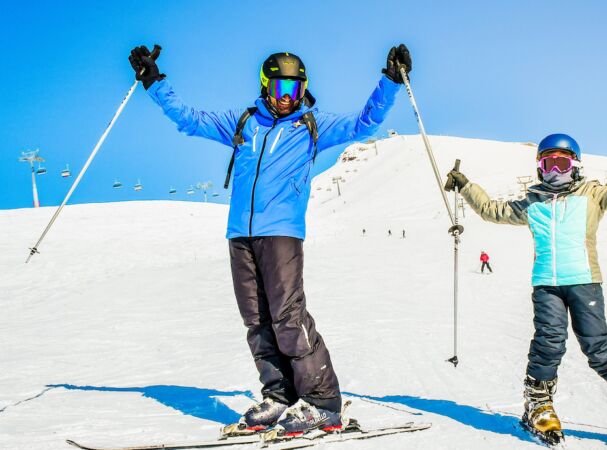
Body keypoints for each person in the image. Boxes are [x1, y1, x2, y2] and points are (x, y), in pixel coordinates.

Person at [129, 43, 412, 435]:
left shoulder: (312, 126)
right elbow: (190, 120)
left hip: (281, 232)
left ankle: (323, 401)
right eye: (280, 90)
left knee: (288, 317)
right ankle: (279, 395)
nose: (287, 99)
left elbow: (364, 124)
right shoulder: (244, 122)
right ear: (266, 87)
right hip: (239, 235)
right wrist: (153, 82)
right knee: (257, 321)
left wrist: (390, 82)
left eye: (294, 91)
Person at [445, 122, 607, 449]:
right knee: (548, 343)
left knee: (598, 346)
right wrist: (466, 186)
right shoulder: (532, 202)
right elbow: (493, 211)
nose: (554, 171)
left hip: (584, 282)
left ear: (575, 164)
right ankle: (539, 406)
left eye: (561, 163)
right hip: (546, 285)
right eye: (547, 164)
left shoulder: (593, 195)